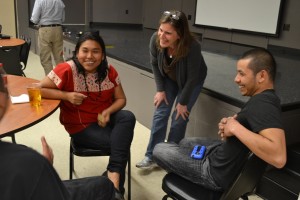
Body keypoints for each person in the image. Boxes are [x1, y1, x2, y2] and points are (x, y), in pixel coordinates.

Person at [153, 48, 287, 192]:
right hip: (220, 155)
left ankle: (193, 177)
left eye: (241, 74)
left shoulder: (264, 104)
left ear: (261, 76)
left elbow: (279, 158)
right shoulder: (264, 99)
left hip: (214, 173)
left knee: (159, 149)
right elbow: (252, 131)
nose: (236, 79)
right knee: (186, 142)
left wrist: (235, 128)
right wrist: (231, 126)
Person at [40, 31, 136, 200]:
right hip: (81, 127)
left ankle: (112, 178)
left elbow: (121, 99)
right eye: (85, 50)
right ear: (77, 53)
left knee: (127, 117)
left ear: (103, 54)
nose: (90, 56)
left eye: (96, 51)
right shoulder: (66, 69)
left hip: (104, 119)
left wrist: (107, 112)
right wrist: (66, 96)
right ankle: (115, 187)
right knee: (121, 144)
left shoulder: (109, 71)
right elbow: (39, 89)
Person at [0, 71, 115, 200]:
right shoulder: (27, 162)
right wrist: (44, 167)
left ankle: (115, 173)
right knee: (104, 185)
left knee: (126, 118)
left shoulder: (109, 72)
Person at [136, 10, 207, 169]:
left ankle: (170, 158)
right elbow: (155, 64)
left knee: (179, 118)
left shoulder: (192, 46)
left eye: (168, 33)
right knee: (161, 113)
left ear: (179, 35)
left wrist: (182, 103)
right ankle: (152, 155)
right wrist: (160, 90)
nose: (162, 35)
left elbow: (192, 78)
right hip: (169, 78)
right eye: (161, 30)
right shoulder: (155, 39)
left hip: (191, 81)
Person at [30, 0, 65, 75]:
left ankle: (51, 82)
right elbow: (63, 19)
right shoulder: (59, 1)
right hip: (58, 29)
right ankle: (63, 80)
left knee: (46, 59)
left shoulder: (40, 1)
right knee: (59, 57)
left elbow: (34, 19)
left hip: (45, 30)